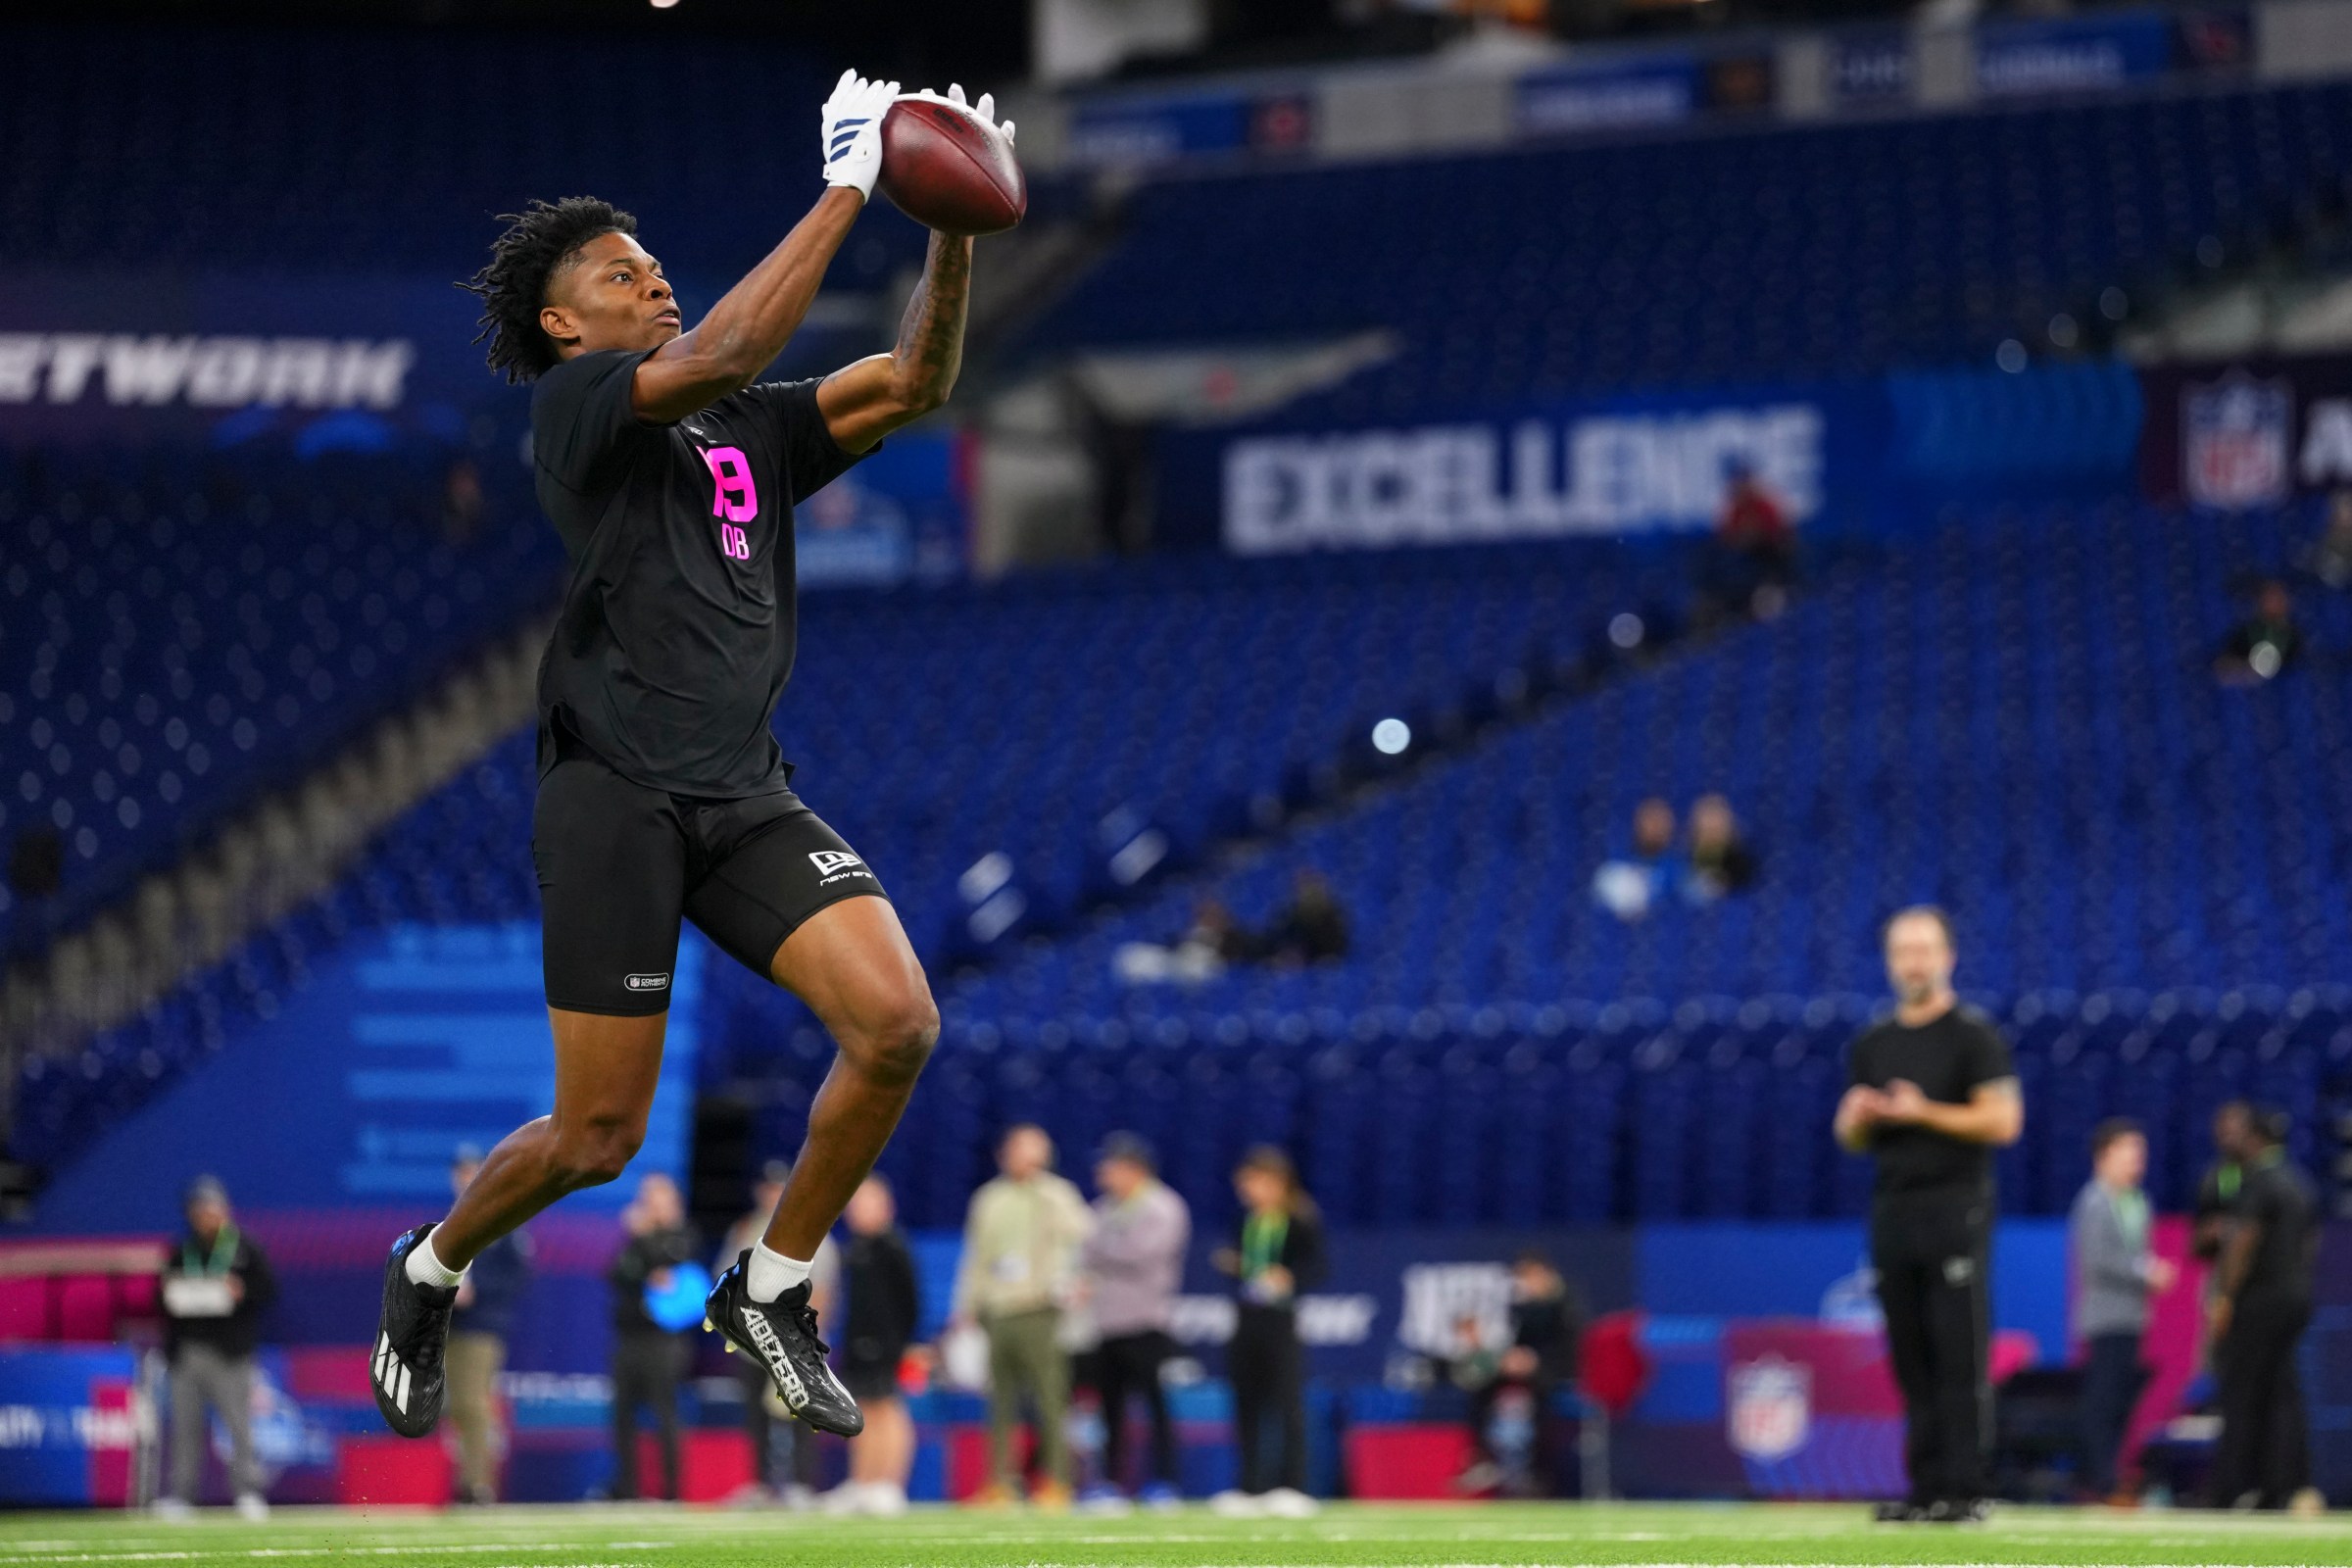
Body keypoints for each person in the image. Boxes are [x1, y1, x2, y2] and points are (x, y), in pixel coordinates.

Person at [370, 72, 1008, 1446]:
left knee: (898, 1024)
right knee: (596, 1143)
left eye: (657, 265)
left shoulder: (752, 426)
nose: (652, 282)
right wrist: (850, 184)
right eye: (620, 272)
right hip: (614, 791)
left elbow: (916, 380)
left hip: (739, 787)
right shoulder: (579, 407)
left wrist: (950, 217)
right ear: (563, 322)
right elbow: (716, 353)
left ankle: (769, 1289)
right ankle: (430, 1267)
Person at [1835, 906, 2024, 1525]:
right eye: (1902, 951)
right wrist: (1856, 1118)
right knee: (1909, 1354)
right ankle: (1926, 1486)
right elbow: (1851, 1140)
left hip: (1956, 1204)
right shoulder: (1873, 1042)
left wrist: (1924, 1111)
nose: (1914, 962)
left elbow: (2003, 1120)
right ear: (1890, 962)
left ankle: (1967, 1487)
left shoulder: (1973, 1035)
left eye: (1924, 950)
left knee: (1958, 1353)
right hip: (1894, 1206)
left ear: (1948, 957)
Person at [953, 1124, 1094, 1509]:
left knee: (1051, 1398)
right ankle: (999, 1482)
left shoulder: (1057, 1193)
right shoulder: (989, 1199)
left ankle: (1058, 1482)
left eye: (1035, 1151)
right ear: (1004, 1154)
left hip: (1040, 1307)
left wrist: (1043, 1189)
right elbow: (976, 1257)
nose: (1026, 1158)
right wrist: (965, 1307)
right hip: (999, 1309)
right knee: (1000, 1401)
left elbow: (1081, 1232)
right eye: (1020, 1149)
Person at [2204, 1110, 2322, 1514]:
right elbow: (2310, 1242)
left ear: (2256, 1139)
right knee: (2282, 1393)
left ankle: (2231, 1487)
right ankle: (2282, 1486)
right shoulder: (2300, 1182)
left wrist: (2224, 1297)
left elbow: (2242, 1242)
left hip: (2259, 1301)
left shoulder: (2257, 1181)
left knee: (2242, 1392)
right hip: (2296, 1296)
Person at [1210, 1146, 1327, 1520]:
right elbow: (1245, 1267)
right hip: (1247, 1319)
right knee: (1246, 1403)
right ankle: (1249, 1487)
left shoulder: (1300, 1220)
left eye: (1254, 1181)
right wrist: (1237, 1266)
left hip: (1281, 1320)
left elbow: (1318, 1267)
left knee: (1287, 1403)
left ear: (1277, 1182)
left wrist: (1288, 1277)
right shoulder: (1244, 1220)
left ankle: (1293, 1485)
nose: (1247, 1189)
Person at [714, 1161, 838, 1507]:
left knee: (800, 1412)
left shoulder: (809, 1229)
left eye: (778, 1189)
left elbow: (823, 1291)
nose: (772, 1195)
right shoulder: (745, 1229)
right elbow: (725, 1281)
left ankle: (801, 1484)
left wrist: (804, 1340)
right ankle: (761, 1484)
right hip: (750, 1340)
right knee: (756, 1415)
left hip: (791, 1339)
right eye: (768, 1189)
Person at [1079, 1133, 1191, 1507]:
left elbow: (1140, 1253)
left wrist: (1102, 1251)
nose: (1103, 1173)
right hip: (1107, 1321)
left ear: (1133, 1169)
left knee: (1155, 1404)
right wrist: (1102, 1252)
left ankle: (1165, 1480)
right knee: (1110, 1407)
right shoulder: (1104, 1208)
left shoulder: (1164, 1206)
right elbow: (1085, 1249)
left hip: (1146, 1320)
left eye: (1111, 1166)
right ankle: (1110, 1481)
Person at [155, 1176, 276, 1521]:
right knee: (184, 1426)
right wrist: (173, 1291)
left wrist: (241, 1289)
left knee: (239, 1425)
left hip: (230, 1352)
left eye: (211, 1209)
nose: (205, 1216)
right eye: (199, 1210)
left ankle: (247, 1492)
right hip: (188, 1351)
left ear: (224, 1210)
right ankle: (181, 1496)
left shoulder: (245, 1247)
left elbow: (268, 1290)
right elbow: (160, 1298)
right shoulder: (183, 1249)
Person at [2069, 1119, 2176, 1503]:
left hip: (2132, 1317)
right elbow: (2099, 1260)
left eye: (2140, 1153)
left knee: (2121, 1403)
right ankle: (2098, 1479)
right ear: (2105, 1156)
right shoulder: (2094, 1202)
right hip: (2105, 1317)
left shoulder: (2138, 1202)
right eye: (2129, 1151)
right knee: (2103, 1400)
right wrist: (2145, 1273)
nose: (2136, 1161)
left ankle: (2109, 1473)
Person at [824, 1174, 922, 1516]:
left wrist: (908, 1346)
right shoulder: (853, 1250)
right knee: (861, 1414)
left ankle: (889, 1484)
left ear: (886, 1207)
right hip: (856, 1346)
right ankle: (863, 1482)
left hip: (888, 1346)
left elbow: (910, 1302)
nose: (859, 1209)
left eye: (868, 1202)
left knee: (888, 1409)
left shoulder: (893, 1247)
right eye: (856, 1202)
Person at [1455, 1250, 1584, 1497]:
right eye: (1524, 1278)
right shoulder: (1523, 1308)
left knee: (1540, 1395)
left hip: (1557, 1371)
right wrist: (1510, 1359)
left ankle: (1537, 1471)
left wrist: (1536, 1362)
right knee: (1482, 1384)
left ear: (1546, 1275)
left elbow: (1571, 1349)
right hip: (1527, 1368)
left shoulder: (1566, 1304)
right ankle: (1482, 1457)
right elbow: (1519, 1342)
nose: (1527, 1284)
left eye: (1531, 1277)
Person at [446, 1146, 533, 1506]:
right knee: (458, 1405)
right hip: (453, 1326)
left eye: (472, 1171)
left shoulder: (503, 1217)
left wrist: (477, 1291)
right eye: (461, 1172)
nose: (465, 1178)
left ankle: (478, 1485)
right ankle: (469, 1480)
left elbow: (518, 1275)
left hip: (484, 1326)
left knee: (473, 1402)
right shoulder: (452, 1219)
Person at [607, 1173, 701, 1502]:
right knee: (622, 1417)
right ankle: (627, 1488)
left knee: (666, 1414)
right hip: (629, 1336)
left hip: (664, 1341)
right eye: (647, 1198)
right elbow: (618, 1274)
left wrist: (646, 1242)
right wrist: (647, 1261)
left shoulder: (682, 1235)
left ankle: (672, 1492)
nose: (650, 1206)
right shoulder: (636, 1239)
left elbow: (671, 1264)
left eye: (657, 1198)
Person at [1591, 798, 1676, 922]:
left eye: (1660, 822)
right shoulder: (1615, 866)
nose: (1655, 827)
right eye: (1650, 821)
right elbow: (1603, 906)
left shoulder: (1675, 868)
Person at [2212, 579, 2303, 685]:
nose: (2274, 603)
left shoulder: (2293, 636)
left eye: (2278, 599)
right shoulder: (2246, 632)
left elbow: (2296, 666)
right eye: (2269, 599)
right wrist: (2246, 670)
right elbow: (2223, 665)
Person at [1681, 794, 1758, 905]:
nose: (1711, 826)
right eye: (1706, 820)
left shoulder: (1741, 862)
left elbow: (1741, 891)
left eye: (1716, 820)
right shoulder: (1684, 858)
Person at [1264, 870, 1349, 965]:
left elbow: (1333, 949)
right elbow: (1278, 938)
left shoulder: (1332, 918)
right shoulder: (1291, 915)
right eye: (1304, 889)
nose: (1308, 894)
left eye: (1312, 889)